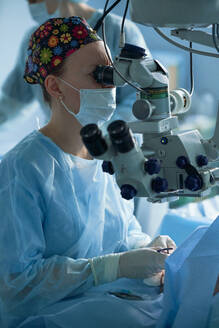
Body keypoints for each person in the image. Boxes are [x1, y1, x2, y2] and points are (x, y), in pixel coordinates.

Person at [0, 17, 176, 328]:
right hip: (51, 317)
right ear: (55, 86)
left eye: (111, 74)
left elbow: (122, 236)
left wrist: (146, 250)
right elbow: (15, 285)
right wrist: (109, 268)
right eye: (98, 76)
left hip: (109, 301)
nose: (111, 86)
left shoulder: (108, 154)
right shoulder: (23, 169)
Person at [0, 0, 150, 130]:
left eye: (35, 0)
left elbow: (139, 97)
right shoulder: (36, 40)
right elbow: (14, 100)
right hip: (58, 143)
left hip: (109, 146)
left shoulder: (117, 30)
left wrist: (103, 134)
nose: (32, 6)